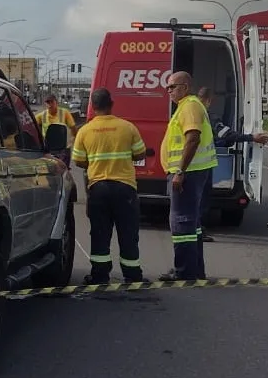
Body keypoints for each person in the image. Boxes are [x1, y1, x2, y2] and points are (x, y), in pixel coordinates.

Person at [71, 88, 149, 284]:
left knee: (99, 232)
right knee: (128, 232)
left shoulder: (85, 130)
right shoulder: (127, 127)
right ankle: (132, 276)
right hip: (125, 188)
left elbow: (78, 161)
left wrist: (95, 162)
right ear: (111, 104)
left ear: (93, 106)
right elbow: (140, 154)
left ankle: (99, 275)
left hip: (98, 188)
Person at [158, 72, 217, 281]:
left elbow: (193, 138)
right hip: (192, 173)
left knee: (182, 223)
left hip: (188, 174)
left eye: (171, 87)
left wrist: (180, 171)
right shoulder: (186, 106)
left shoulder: (190, 106)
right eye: (168, 87)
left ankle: (185, 272)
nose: (169, 91)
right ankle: (194, 271)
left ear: (184, 87)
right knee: (191, 224)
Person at [195, 87, 268, 243]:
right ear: (209, 100)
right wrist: (251, 138)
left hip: (191, 165)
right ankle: (198, 232)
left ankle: (194, 231)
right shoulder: (208, 115)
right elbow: (226, 135)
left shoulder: (189, 112)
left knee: (194, 200)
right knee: (202, 201)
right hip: (202, 166)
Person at [36, 94, 78, 165]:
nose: (50, 104)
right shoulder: (42, 115)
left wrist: (75, 138)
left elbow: (73, 127)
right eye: (47, 102)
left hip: (63, 148)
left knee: (64, 168)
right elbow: (31, 124)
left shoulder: (65, 113)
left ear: (56, 102)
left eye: (52, 102)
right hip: (48, 148)